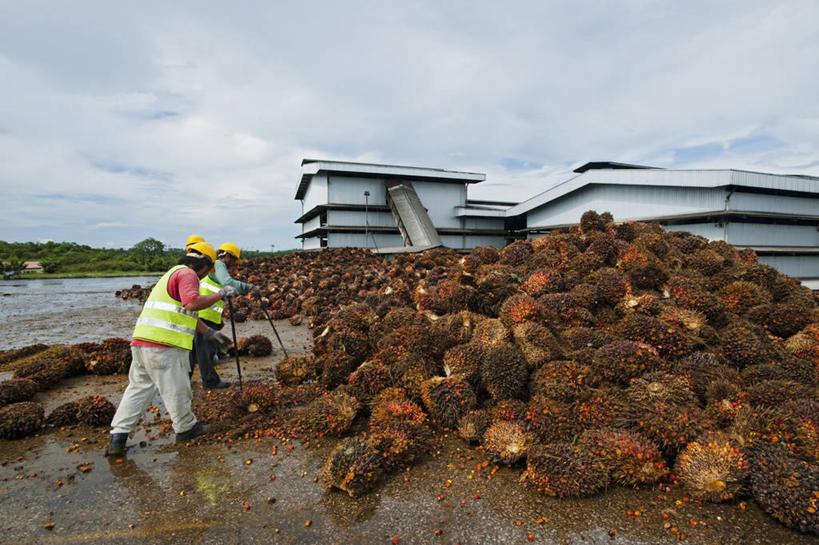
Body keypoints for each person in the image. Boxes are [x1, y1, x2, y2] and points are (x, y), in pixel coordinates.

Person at [105, 242, 238, 456]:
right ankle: (186, 429)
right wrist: (220, 294)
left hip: (141, 343)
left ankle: (118, 437)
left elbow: (185, 313)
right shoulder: (188, 274)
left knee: (137, 390)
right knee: (177, 389)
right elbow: (192, 304)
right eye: (207, 270)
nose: (205, 276)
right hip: (164, 346)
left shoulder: (170, 274)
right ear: (203, 264)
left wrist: (210, 334)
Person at [190, 242, 259, 389]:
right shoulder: (218, 265)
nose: (234, 265)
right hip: (205, 314)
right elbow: (227, 282)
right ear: (227, 256)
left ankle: (185, 381)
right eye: (234, 261)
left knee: (194, 351)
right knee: (205, 351)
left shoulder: (211, 268)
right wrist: (248, 287)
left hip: (203, 313)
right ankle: (210, 382)